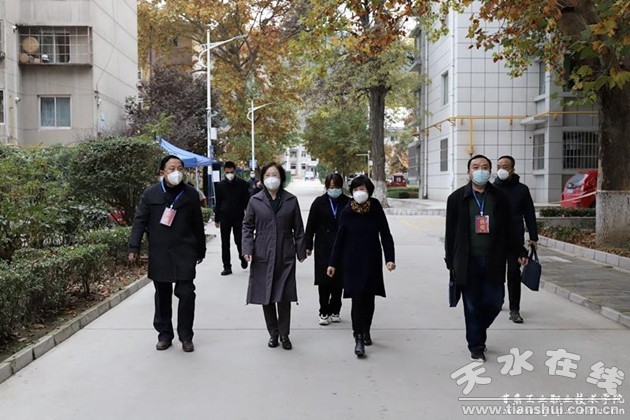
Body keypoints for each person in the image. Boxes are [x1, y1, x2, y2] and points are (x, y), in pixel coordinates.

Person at [445, 154, 528, 363]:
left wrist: (520, 250)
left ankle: (477, 329)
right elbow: (450, 232)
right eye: (475, 167)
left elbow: (510, 227)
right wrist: (450, 261)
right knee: (472, 305)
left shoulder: (500, 197)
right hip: (468, 261)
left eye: (484, 167)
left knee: (495, 301)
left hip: (494, 260)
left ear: (490, 172)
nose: (480, 171)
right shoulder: (456, 198)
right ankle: (476, 346)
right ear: (468, 172)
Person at [128, 155, 206, 353]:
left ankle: (186, 336)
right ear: (162, 172)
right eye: (172, 168)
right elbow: (139, 221)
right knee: (162, 295)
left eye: (180, 168)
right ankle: (164, 335)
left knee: (186, 293)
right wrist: (134, 247)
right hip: (160, 251)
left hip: (185, 250)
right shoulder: (151, 193)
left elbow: (197, 223)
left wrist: (201, 249)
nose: (176, 172)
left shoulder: (190, 194)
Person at [327, 175, 395, 358]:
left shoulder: (375, 208)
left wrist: (390, 258)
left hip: (372, 260)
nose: (359, 192)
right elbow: (339, 239)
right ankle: (358, 337)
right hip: (352, 261)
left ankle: (366, 330)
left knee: (369, 299)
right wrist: (333, 263)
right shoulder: (347, 211)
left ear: (369, 191)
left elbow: (385, 234)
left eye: (362, 189)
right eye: (356, 189)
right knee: (357, 300)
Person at [242, 162, 307, 350]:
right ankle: (273, 333)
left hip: (285, 251)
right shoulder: (255, 201)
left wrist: (301, 250)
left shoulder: (291, 200)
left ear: (281, 178)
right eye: (268, 175)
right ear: (262, 179)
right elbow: (247, 226)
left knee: (284, 295)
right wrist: (247, 249)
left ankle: (285, 334)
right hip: (262, 251)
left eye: (275, 175)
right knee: (266, 295)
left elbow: (299, 228)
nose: (272, 178)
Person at [494, 155, 539, 324]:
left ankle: (515, 309)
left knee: (514, 274)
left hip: (515, 240)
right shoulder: (491, 189)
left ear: (512, 169)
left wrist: (533, 237)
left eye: (505, 167)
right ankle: (498, 300)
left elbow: (529, 214)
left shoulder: (522, 190)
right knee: (496, 274)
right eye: (499, 166)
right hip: (496, 240)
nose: (501, 170)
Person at [305, 173, 351, 326]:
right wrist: (308, 245)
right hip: (323, 247)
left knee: (339, 281)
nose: (334, 190)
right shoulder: (319, 203)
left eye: (337, 187)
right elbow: (310, 225)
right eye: (331, 187)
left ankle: (335, 309)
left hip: (342, 247)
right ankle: (324, 311)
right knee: (324, 281)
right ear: (326, 187)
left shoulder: (348, 203)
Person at [214, 161, 250, 275]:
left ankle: (242, 257)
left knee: (239, 240)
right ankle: (227, 266)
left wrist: (249, 216)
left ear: (235, 171)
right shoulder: (220, 185)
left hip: (239, 216)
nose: (229, 174)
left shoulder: (242, 184)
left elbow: (247, 201)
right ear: (224, 171)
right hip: (224, 216)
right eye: (227, 172)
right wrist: (217, 219)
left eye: (231, 172)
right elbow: (218, 202)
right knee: (225, 243)